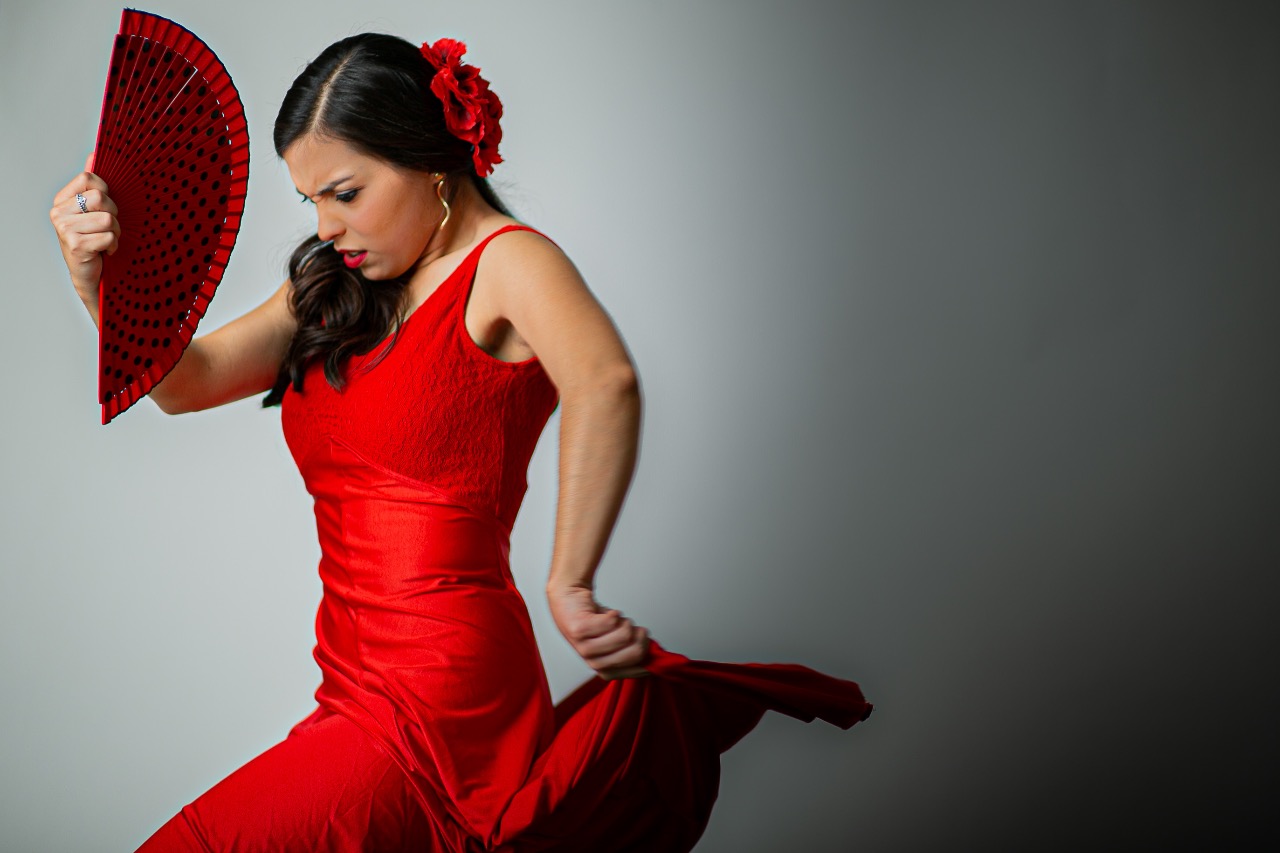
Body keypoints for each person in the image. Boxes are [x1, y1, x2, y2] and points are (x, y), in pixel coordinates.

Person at [50, 32, 871, 852]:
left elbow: (604, 380)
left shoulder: (510, 263)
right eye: (311, 201)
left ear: (428, 161)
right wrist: (99, 282)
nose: (328, 225)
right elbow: (184, 384)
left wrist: (570, 582)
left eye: (345, 192)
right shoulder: (335, 287)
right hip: (351, 683)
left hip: (438, 693)